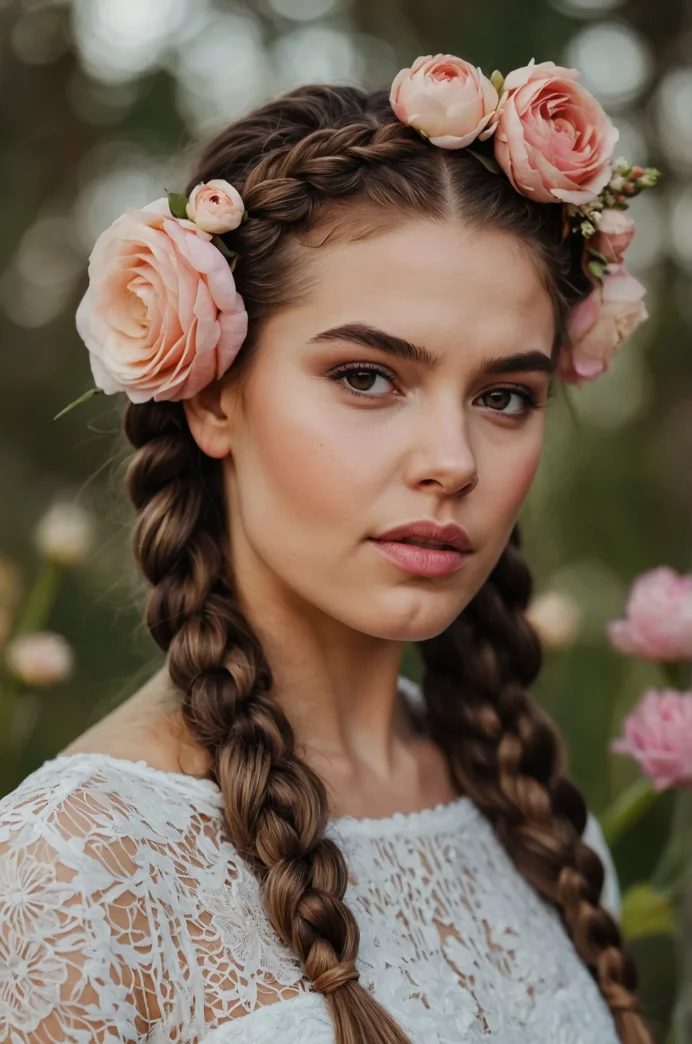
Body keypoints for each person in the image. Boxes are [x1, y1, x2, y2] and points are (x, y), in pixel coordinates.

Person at [0, 53, 659, 1044]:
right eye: (365, 376)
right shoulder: (66, 880)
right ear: (215, 393)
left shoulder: (538, 826)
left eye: (503, 396)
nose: (451, 461)